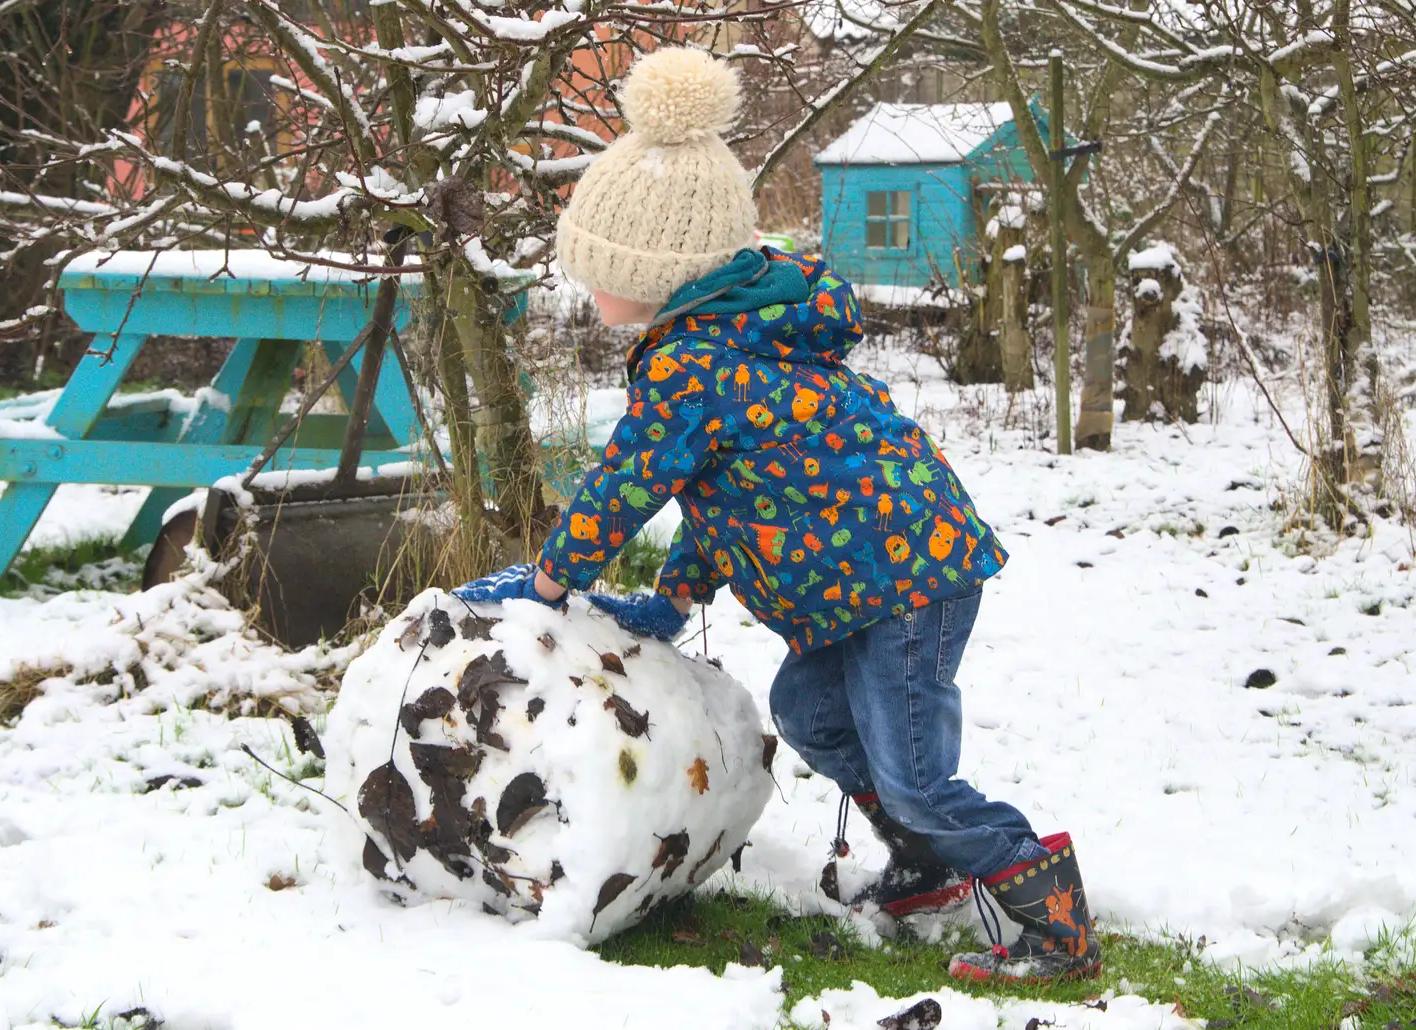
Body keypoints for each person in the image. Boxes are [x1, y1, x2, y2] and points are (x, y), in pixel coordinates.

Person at [453, 47, 1100, 983]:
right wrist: (672, 605)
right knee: (808, 709)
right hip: (862, 578)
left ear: (661, 269)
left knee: (916, 773)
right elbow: (733, 502)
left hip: (905, 581)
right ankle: (924, 862)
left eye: (599, 270)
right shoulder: (725, 339)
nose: (588, 291)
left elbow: (627, 485)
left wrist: (551, 579)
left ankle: (1052, 922)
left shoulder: (697, 364)